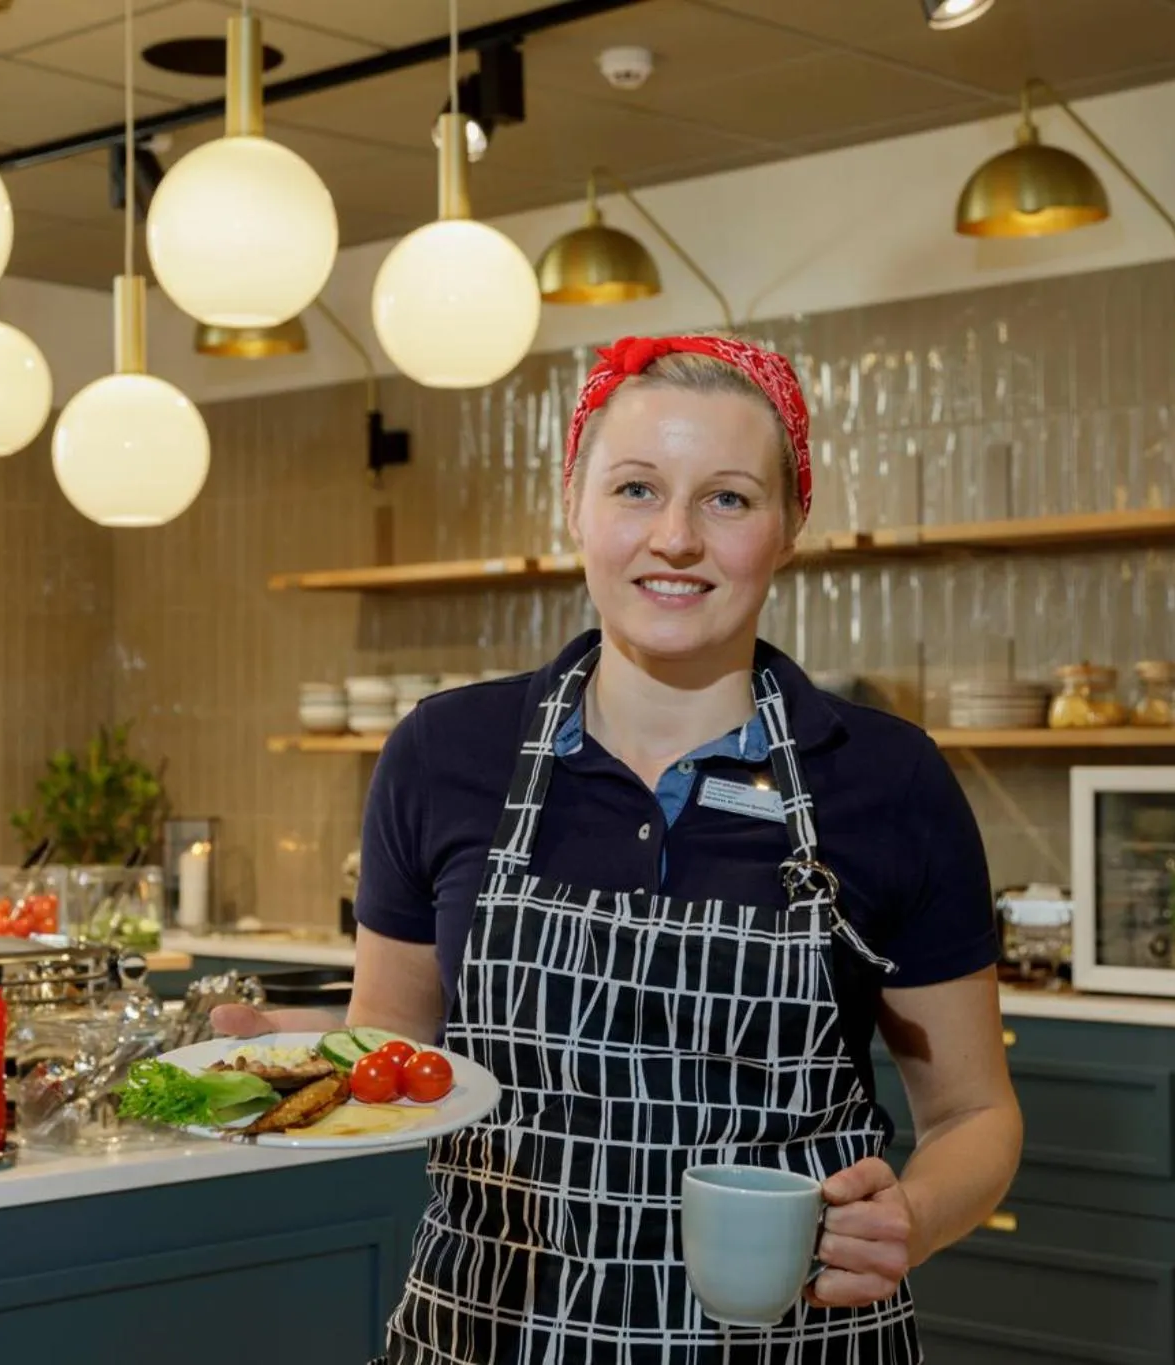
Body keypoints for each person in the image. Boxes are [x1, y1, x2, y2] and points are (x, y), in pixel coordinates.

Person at [216, 333, 1023, 1362]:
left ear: (787, 527)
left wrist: (909, 1217)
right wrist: (282, 1057)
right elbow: (395, 1055)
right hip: (490, 1333)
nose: (674, 539)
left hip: (790, 1341)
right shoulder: (444, 753)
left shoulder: (886, 779)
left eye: (727, 499)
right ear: (574, 505)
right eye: (635, 489)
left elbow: (972, 1113)